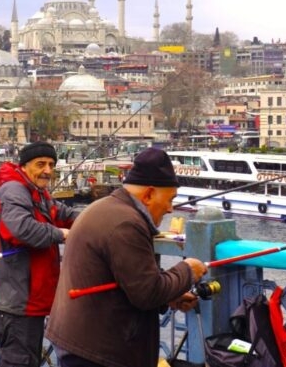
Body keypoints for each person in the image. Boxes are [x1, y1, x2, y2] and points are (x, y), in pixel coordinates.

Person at [46, 148, 208, 367]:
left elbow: (128, 281)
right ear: (149, 193)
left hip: (80, 339)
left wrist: (170, 297)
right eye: (170, 199)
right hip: (97, 350)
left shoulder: (107, 208)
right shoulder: (126, 224)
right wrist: (187, 270)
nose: (171, 209)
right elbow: (147, 292)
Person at [0, 141, 80, 367]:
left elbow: (64, 213)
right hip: (15, 302)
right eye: (41, 164)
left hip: (27, 301)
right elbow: (22, 230)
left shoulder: (38, 192)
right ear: (24, 166)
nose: (48, 170)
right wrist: (61, 234)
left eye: (51, 165)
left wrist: (97, 220)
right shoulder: (14, 190)